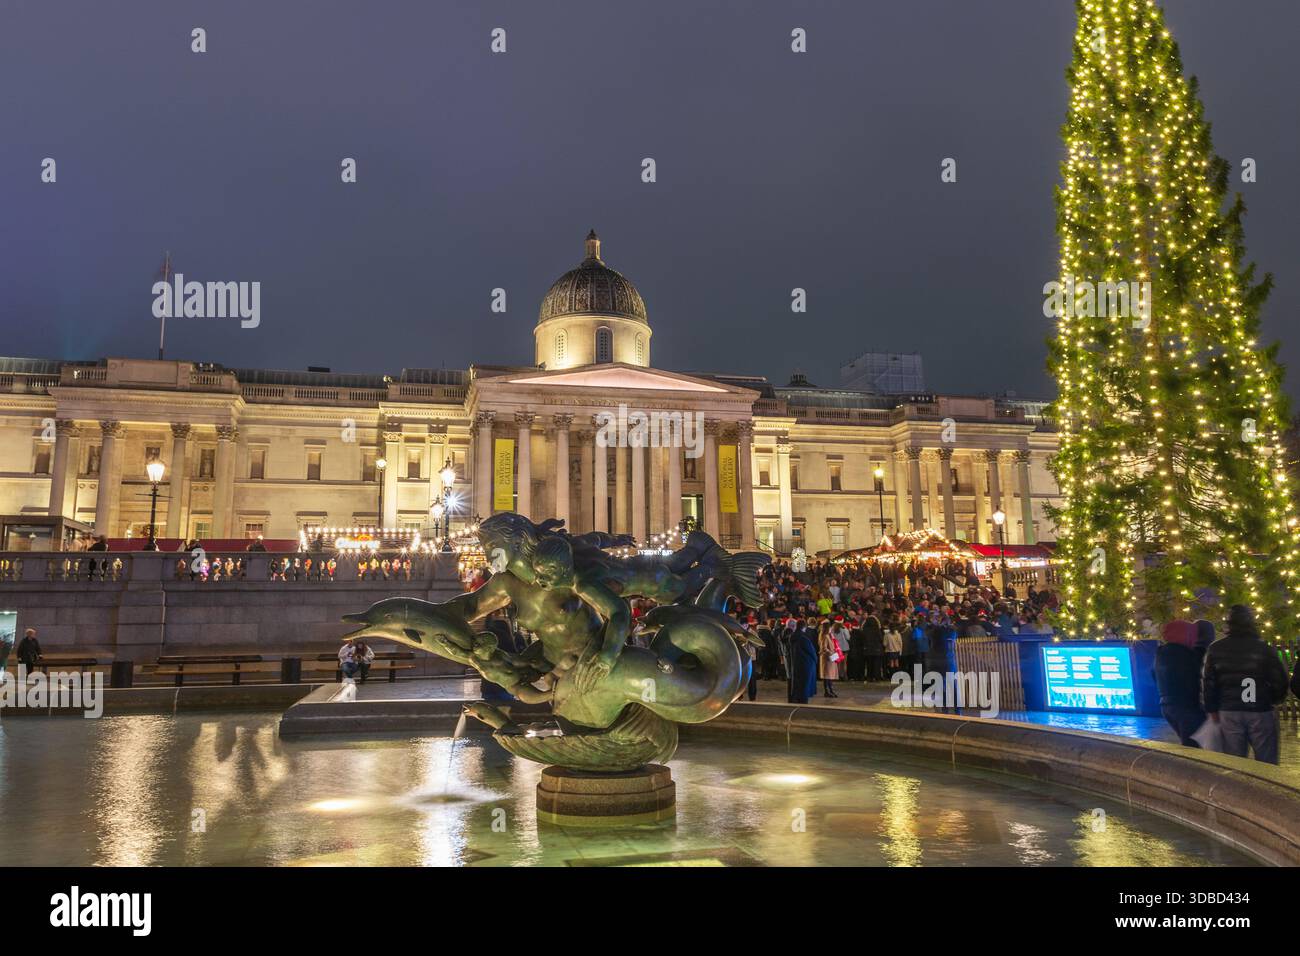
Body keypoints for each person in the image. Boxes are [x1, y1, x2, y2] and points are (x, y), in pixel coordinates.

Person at [1201, 604, 1290, 764]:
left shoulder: (1216, 649)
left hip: (1229, 710)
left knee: (1236, 762)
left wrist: (1212, 709)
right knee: (1266, 761)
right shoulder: (1263, 648)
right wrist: (1274, 699)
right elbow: (1279, 680)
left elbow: (1209, 683)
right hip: (1260, 709)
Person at [1153, 619, 1205, 746]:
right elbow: (1197, 679)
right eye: (1192, 634)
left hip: (1166, 705)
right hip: (1186, 707)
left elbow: (1153, 675)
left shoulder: (1161, 653)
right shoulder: (1185, 654)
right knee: (1193, 748)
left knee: (1189, 743)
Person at [786, 617, 819, 704]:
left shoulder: (792, 638)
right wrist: (815, 660)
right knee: (805, 686)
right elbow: (812, 652)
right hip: (806, 665)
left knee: (798, 685)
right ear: (804, 627)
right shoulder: (804, 638)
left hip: (796, 664)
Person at [818, 620, 841, 698]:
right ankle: (827, 691)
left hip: (830, 658)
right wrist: (832, 653)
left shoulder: (829, 635)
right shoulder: (825, 636)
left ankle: (830, 691)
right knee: (827, 676)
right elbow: (824, 648)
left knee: (829, 676)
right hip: (827, 658)